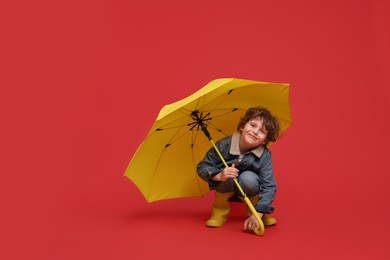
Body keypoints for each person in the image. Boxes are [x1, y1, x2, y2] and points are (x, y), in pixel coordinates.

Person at [196, 106, 280, 233]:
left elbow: (269, 186)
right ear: (242, 126)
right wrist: (219, 175)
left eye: (262, 131)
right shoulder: (223, 145)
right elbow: (202, 167)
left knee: (248, 177)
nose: (255, 131)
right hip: (226, 185)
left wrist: (259, 212)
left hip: (249, 187)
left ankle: (255, 214)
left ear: (265, 141)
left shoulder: (265, 155)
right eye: (252, 125)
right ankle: (220, 212)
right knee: (227, 172)